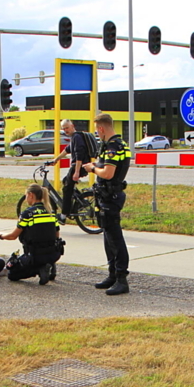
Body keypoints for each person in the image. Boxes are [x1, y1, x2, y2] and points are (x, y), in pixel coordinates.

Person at [81, 113, 130, 295]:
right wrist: (97, 164)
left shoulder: (112, 147)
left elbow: (108, 173)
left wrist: (93, 168)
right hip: (108, 196)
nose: (97, 134)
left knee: (115, 239)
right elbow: (110, 167)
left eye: (97, 131)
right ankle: (112, 275)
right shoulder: (119, 144)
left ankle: (121, 279)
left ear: (101, 128)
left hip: (111, 197)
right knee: (108, 238)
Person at [0, 184, 62, 285]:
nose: (26, 199)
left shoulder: (27, 214)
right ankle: (48, 264)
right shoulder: (51, 213)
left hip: (34, 255)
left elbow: (13, 236)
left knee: (12, 274)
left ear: (31, 195)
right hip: (53, 254)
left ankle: (39, 268)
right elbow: (56, 235)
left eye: (26, 196)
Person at [54, 119, 92, 223]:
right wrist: (55, 160)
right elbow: (67, 150)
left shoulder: (76, 137)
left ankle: (63, 215)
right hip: (80, 166)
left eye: (67, 127)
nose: (65, 130)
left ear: (72, 126)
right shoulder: (75, 137)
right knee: (66, 181)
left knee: (67, 189)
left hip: (78, 166)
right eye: (63, 128)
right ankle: (79, 199)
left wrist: (76, 172)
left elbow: (79, 155)